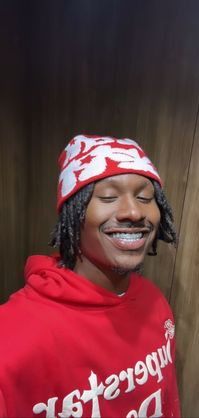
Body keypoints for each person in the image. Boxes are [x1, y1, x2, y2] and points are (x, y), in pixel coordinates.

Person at [0, 134, 181, 418]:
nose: (134, 211)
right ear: (73, 214)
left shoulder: (155, 303)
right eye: (108, 197)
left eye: (145, 197)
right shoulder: (13, 336)